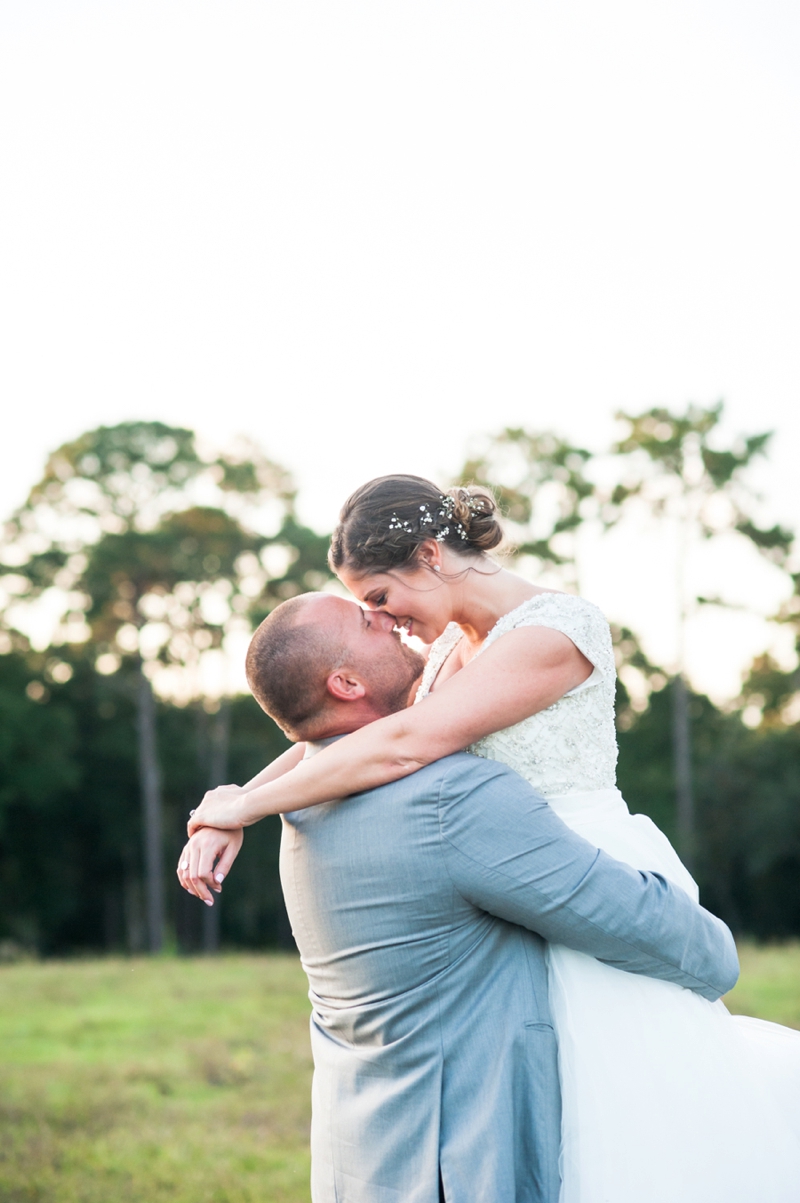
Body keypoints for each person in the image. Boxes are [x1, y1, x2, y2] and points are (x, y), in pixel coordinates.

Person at [182, 475, 800, 1201]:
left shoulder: (555, 631)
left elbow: (403, 743)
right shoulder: (447, 647)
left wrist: (246, 809)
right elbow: (339, 737)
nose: (385, 619)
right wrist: (232, 801)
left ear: (429, 555)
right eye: (369, 610)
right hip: (503, 883)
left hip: (582, 868)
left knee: (633, 1118)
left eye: (379, 597)